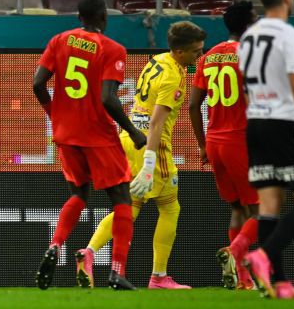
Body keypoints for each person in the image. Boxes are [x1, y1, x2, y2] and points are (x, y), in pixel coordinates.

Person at [32, 0, 147, 291]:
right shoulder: (113, 49)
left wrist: (54, 113)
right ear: (104, 19)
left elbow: (36, 84)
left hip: (66, 134)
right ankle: (117, 271)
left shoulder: (59, 40)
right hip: (98, 136)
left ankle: (55, 245)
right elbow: (108, 98)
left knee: (79, 195)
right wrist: (133, 131)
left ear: (79, 17)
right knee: (122, 199)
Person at [81, 21, 207, 289]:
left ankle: (89, 252)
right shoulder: (173, 76)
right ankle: (158, 276)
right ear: (182, 51)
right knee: (170, 207)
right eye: (197, 51)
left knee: (131, 207)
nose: (200, 55)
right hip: (153, 145)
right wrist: (150, 163)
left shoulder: (158, 60)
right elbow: (157, 122)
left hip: (129, 138)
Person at [237, 0, 294, 300]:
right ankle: (262, 256)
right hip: (283, 123)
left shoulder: (248, 37)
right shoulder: (290, 36)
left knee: (270, 204)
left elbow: (246, 86)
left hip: (255, 122)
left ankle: (280, 282)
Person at [188, 1, 259, 291]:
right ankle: (234, 252)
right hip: (241, 139)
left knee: (237, 210)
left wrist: (202, 146)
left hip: (215, 141)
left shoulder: (209, 56)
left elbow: (193, 105)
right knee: (263, 210)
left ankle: (243, 279)